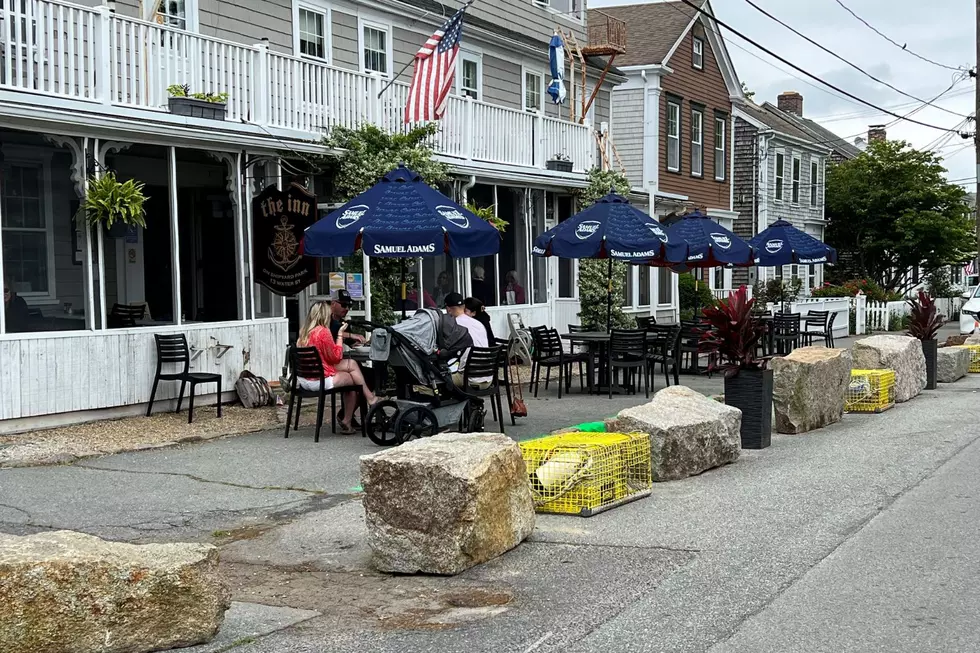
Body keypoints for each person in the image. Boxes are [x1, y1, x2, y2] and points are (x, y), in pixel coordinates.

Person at [296, 301, 379, 434]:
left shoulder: (304, 332)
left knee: (351, 366)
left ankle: (364, 403)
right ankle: (351, 415)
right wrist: (340, 334)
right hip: (320, 380)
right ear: (324, 315)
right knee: (353, 377)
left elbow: (326, 358)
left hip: (305, 379)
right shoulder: (323, 332)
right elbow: (336, 357)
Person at [445, 292, 492, 387]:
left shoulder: (453, 325)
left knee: (436, 380)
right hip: (488, 378)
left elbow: (446, 348)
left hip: (469, 379)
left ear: (448, 309)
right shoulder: (479, 324)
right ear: (463, 307)